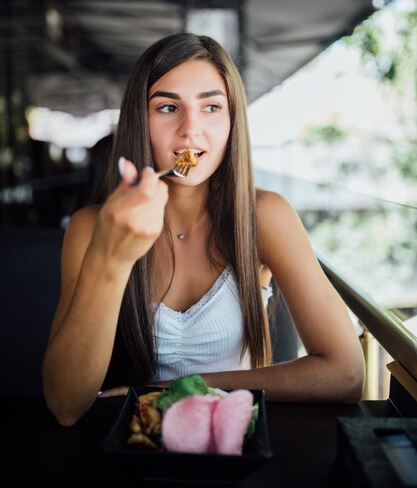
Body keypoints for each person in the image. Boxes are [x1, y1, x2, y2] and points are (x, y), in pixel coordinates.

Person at [42, 33, 365, 427]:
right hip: (129, 443)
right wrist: (111, 259)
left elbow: (345, 374)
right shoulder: (91, 227)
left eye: (211, 106)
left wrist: (178, 389)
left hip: (228, 438)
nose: (190, 129)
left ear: (232, 121)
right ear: (138, 120)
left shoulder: (265, 216)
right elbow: (65, 404)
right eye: (167, 107)